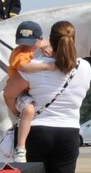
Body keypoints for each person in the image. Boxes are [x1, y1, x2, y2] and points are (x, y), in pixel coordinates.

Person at [15, 20, 91, 173]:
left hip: (38, 130)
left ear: (51, 41)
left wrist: (18, 109)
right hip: (69, 132)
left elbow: (9, 92)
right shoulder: (84, 68)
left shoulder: (33, 67)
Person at [3, 21, 55, 163]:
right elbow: (24, 67)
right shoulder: (19, 53)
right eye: (22, 43)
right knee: (29, 110)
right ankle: (20, 148)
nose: (26, 46)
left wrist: (46, 48)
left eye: (30, 42)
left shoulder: (37, 45)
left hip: (30, 89)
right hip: (20, 92)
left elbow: (46, 42)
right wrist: (46, 66)